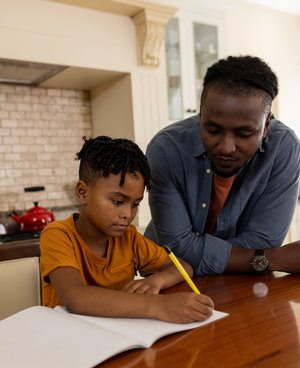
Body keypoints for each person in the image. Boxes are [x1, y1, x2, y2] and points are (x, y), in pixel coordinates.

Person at [144, 55, 300, 276]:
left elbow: (265, 239)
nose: (226, 148)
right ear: (200, 114)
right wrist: (268, 259)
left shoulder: (284, 147)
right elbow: (176, 248)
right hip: (170, 278)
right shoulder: (166, 149)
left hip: (240, 281)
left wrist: (258, 255)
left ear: (266, 126)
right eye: (213, 130)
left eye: (244, 133)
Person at [40, 136, 213, 324]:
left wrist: (155, 282)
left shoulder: (128, 238)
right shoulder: (58, 235)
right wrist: (160, 306)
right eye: (117, 202)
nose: (127, 214)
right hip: (67, 336)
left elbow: (183, 268)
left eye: (135, 204)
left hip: (118, 333)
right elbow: (75, 298)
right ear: (83, 193)